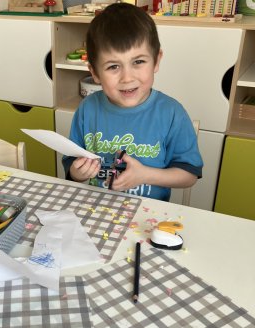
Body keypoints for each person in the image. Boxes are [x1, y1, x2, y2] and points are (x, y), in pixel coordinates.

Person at [62, 3, 203, 201]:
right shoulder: (87, 109)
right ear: (95, 73)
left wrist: (144, 175)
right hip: (98, 209)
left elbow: (189, 176)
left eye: (138, 62)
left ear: (156, 60)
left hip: (149, 214)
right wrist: (78, 173)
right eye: (113, 66)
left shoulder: (172, 113)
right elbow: (71, 164)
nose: (127, 78)